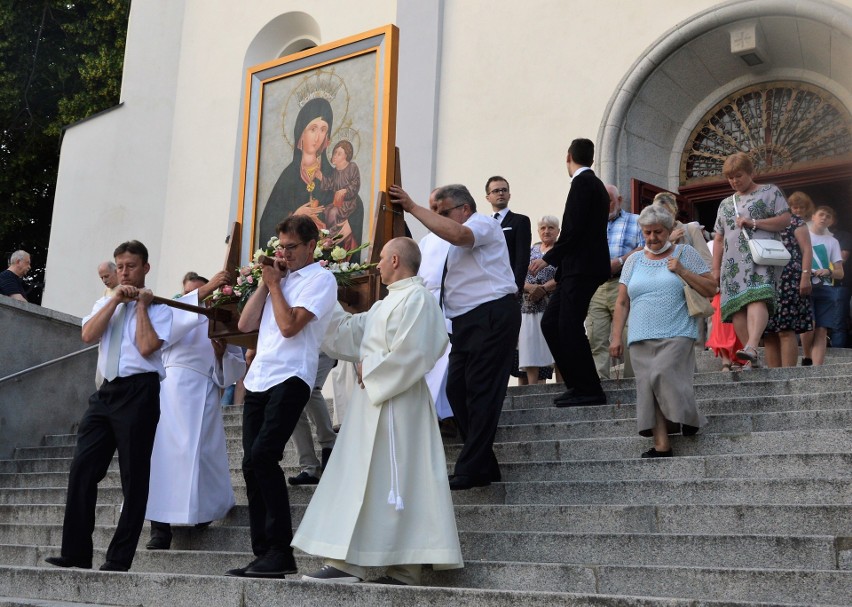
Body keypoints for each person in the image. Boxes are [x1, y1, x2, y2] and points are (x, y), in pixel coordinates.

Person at [296, 237, 462, 585]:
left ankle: (403, 568)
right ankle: (346, 562)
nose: (377, 266)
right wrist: (326, 297)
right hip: (372, 404)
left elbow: (418, 351)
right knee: (359, 479)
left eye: (382, 259)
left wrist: (369, 368)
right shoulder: (386, 304)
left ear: (396, 260)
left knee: (399, 480)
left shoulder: (419, 299)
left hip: (399, 405)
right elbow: (349, 333)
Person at [45, 240, 172, 572]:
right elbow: (88, 334)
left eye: (131, 266)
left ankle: (118, 559)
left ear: (145, 267)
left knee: (134, 476)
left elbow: (147, 347)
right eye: (120, 266)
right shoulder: (106, 302)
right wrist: (115, 299)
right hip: (106, 393)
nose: (124, 272)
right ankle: (75, 552)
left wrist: (142, 306)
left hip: (139, 392)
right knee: (82, 469)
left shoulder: (161, 308)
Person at [226, 215, 337, 578]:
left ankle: (280, 551)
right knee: (249, 463)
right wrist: (265, 283)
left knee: (264, 455)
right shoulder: (278, 278)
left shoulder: (321, 279)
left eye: (291, 247)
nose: (285, 254)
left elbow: (289, 326)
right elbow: (244, 325)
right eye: (281, 247)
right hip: (259, 377)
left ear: (310, 246)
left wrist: (276, 285)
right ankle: (265, 554)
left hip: (292, 375)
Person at [390, 183, 519, 491]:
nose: (436, 219)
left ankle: (470, 467)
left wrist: (413, 207)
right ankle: (485, 465)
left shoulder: (482, 223)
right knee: (457, 389)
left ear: (464, 208)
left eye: (442, 212)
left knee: (481, 392)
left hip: (491, 313)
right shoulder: (442, 239)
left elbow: (460, 236)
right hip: (463, 321)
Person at [145, 271, 245, 549]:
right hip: (168, 389)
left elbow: (235, 369)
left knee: (202, 456)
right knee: (160, 457)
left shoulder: (222, 318)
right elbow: (163, 336)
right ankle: (159, 527)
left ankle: (202, 514)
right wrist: (198, 296)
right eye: (191, 294)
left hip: (203, 390)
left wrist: (221, 352)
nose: (198, 299)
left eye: (202, 293)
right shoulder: (171, 312)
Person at [609, 206, 714, 458]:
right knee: (647, 387)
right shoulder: (633, 260)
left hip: (677, 330)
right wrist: (615, 337)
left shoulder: (684, 253)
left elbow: (711, 288)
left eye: (658, 232)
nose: (653, 237)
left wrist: (682, 270)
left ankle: (689, 418)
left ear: (669, 231)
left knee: (662, 374)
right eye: (647, 232)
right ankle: (661, 445)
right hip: (639, 335)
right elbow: (622, 302)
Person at [529, 138, 610, 407]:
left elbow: (574, 229)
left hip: (582, 269)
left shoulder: (583, 183)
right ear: (592, 158)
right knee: (551, 324)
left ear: (568, 157)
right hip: (575, 270)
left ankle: (589, 388)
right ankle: (577, 385)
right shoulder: (593, 183)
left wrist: (548, 258)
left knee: (568, 325)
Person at [258, 99, 364, 260]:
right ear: (301, 133)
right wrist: (295, 216)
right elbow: (266, 222)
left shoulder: (332, 174)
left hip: (327, 262)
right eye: (312, 129)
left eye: (323, 130)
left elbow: (355, 204)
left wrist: (344, 227)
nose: (317, 136)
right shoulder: (288, 177)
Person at [712, 152, 790, 368]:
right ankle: (750, 357)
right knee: (736, 306)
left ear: (751, 172)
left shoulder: (770, 192)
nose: (734, 181)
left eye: (738, 176)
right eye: (730, 178)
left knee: (756, 298)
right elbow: (718, 238)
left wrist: (754, 223)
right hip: (732, 263)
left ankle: (753, 346)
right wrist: (715, 269)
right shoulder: (726, 203)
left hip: (760, 257)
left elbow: (785, 220)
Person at [585, 185, 644, 381]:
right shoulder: (592, 225)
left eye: (609, 199)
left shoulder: (636, 221)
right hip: (597, 286)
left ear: (620, 199)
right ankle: (599, 380)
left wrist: (619, 262)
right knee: (595, 336)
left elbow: (644, 249)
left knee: (628, 334)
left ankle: (631, 381)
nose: (606, 204)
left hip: (625, 283)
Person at [417, 189, 456, 436]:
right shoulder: (425, 240)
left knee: (449, 360)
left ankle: (448, 413)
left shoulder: (457, 234)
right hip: (429, 304)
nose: (437, 214)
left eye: (441, 209)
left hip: (451, 304)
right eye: (432, 209)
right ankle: (432, 412)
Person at [762, 195, 814, 368]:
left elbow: (807, 249)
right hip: (765, 279)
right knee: (768, 331)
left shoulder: (795, 221)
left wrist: (805, 276)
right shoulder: (761, 223)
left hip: (789, 278)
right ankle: (775, 377)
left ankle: (788, 375)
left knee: (785, 330)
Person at [519, 216, 559, 385]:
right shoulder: (530, 251)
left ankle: (562, 386)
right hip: (529, 305)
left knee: (556, 346)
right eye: (543, 228)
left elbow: (564, 274)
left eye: (550, 227)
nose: (546, 231)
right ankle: (533, 387)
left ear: (558, 231)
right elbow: (517, 273)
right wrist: (529, 288)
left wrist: (543, 288)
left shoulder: (560, 250)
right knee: (530, 345)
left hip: (553, 302)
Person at [286, 351, 337, 485]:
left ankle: (330, 444)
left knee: (310, 388)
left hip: (324, 346)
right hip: (295, 352)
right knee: (292, 399)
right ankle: (309, 467)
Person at [806, 205, 845, 365]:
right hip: (806, 285)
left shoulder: (833, 241)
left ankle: (817, 368)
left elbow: (840, 272)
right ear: (813, 216)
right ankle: (807, 357)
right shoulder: (803, 235)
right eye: (821, 214)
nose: (824, 218)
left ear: (831, 221)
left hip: (826, 288)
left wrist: (827, 272)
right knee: (810, 325)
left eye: (828, 216)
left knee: (822, 328)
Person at [319, 139, 363, 257]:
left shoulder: (352, 167)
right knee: (326, 210)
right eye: (334, 153)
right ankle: (328, 237)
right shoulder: (335, 171)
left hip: (349, 203)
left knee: (333, 212)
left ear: (346, 155)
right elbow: (331, 185)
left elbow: (355, 184)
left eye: (339, 153)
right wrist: (321, 177)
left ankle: (332, 238)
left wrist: (346, 190)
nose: (335, 155)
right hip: (337, 202)